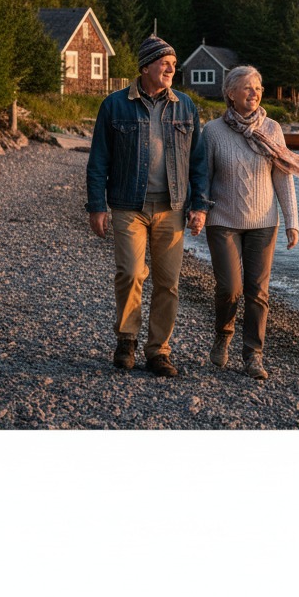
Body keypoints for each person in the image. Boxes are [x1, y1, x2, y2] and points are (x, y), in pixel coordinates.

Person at [85, 34, 209, 377]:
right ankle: (127, 340)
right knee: (130, 273)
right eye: (164, 63)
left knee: (168, 282)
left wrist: (199, 206)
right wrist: (96, 206)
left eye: (173, 64)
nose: (171, 69)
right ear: (145, 67)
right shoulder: (114, 105)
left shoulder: (185, 106)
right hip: (128, 205)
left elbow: (198, 161)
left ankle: (158, 351)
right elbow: (98, 159)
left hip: (172, 207)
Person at [202, 65, 299, 380]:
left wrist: (292, 221)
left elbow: (283, 176)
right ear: (231, 93)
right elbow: (203, 177)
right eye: (248, 87)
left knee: (258, 292)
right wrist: (198, 211)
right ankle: (223, 333)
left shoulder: (272, 129)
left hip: (264, 222)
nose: (255, 93)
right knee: (229, 287)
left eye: (258, 88)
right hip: (222, 220)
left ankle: (253, 355)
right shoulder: (212, 131)